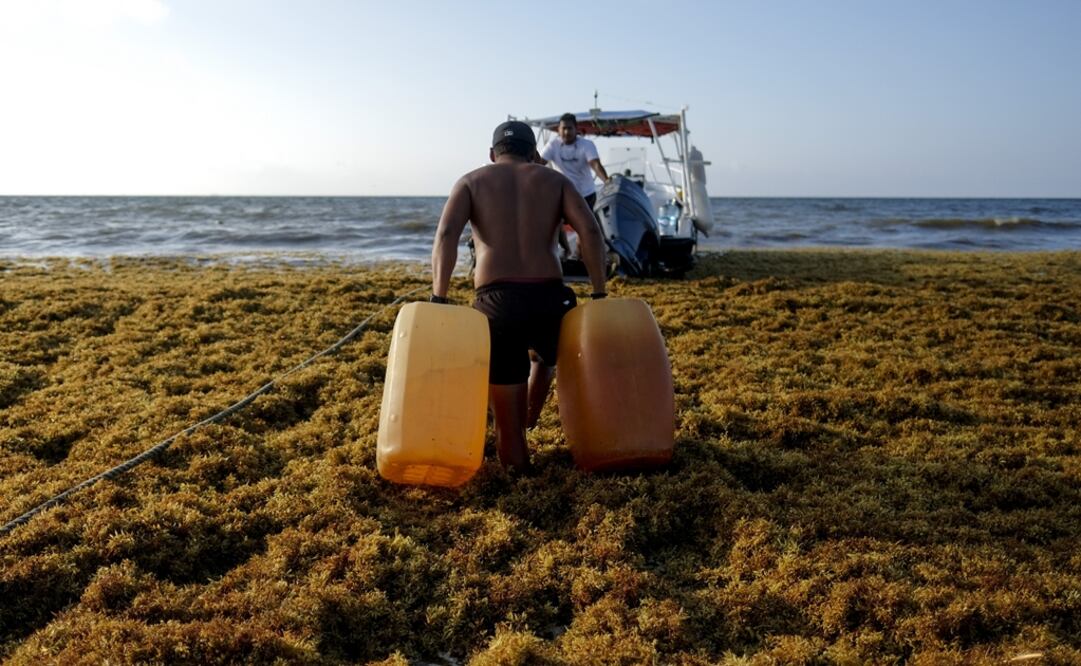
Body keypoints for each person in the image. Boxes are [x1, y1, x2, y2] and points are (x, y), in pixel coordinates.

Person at [431, 120, 607, 473]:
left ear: (492, 154)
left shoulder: (470, 181)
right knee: (546, 356)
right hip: (550, 299)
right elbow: (589, 230)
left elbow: (447, 235)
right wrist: (599, 291)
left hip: (497, 302)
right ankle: (531, 414)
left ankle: (518, 463)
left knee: (506, 425)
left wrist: (440, 297)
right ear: (534, 153)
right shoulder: (556, 181)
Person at [536, 112, 610, 211]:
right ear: (558, 129)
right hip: (563, 195)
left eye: (570, 128)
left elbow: (595, 164)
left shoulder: (586, 145)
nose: (566, 132)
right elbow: (538, 164)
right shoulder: (552, 145)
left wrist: (607, 181)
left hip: (586, 195)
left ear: (576, 129)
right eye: (564, 128)